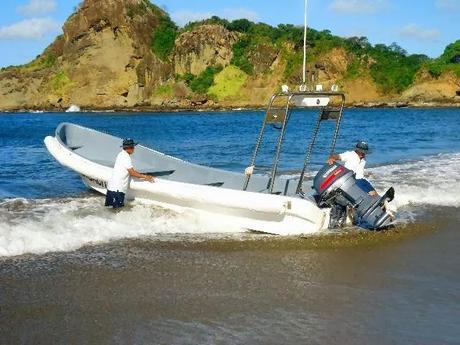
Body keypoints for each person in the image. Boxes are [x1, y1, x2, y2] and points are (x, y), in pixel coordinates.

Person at [105, 138, 154, 208]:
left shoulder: (120, 154)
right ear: (129, 148)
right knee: (117, 210)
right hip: (118, 189)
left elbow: (131, 170)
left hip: (111, 187)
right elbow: (132, 173)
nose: (134, 149)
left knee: (110, 209)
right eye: (133, 147)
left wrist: (141, 175)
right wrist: (146, 177)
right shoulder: (126, 158)